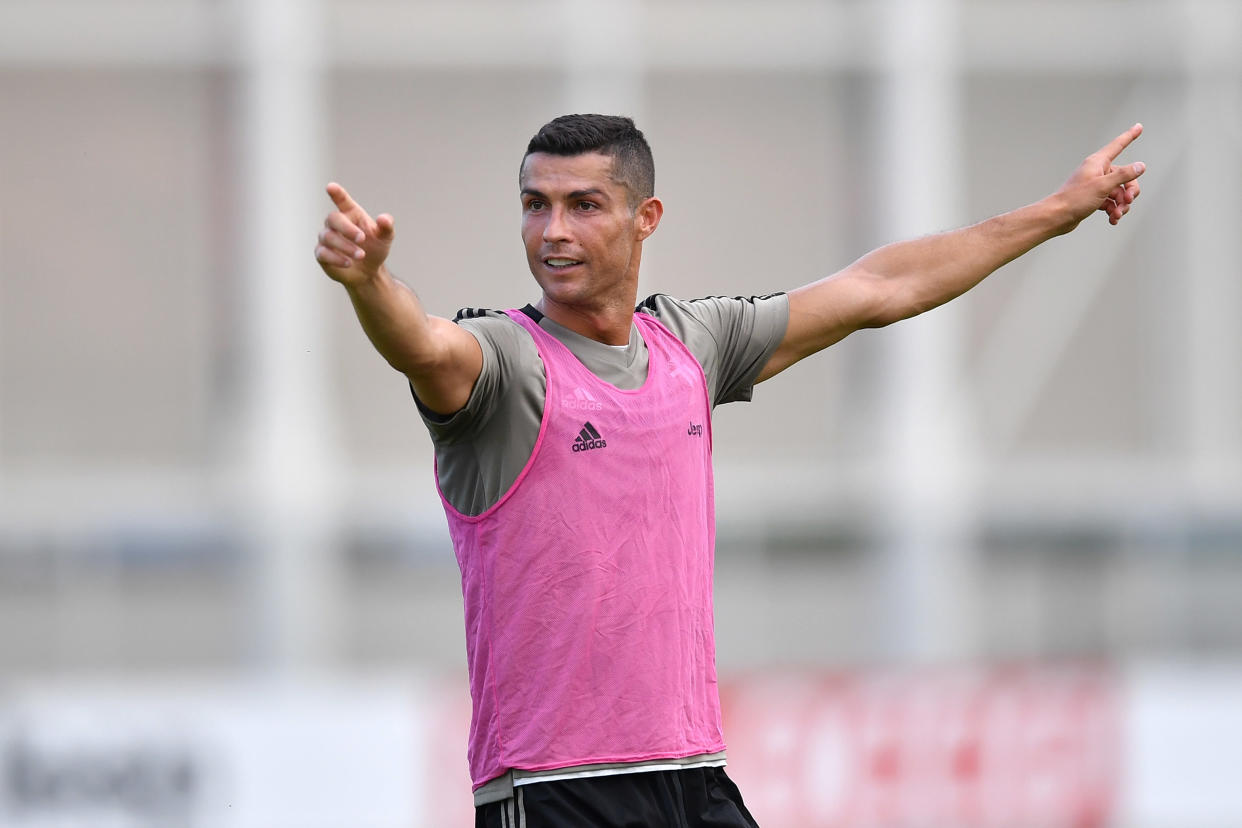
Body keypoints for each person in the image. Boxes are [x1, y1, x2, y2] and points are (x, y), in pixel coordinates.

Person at [314, 114, 1144, 826]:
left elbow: (878, 288)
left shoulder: (691, 343)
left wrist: (1058, 212)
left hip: (693, 778)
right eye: (535, 205)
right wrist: (368, 281)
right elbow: (420, 345)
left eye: (583, 205)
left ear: (646, 218)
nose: (552, 231)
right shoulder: (504, 363)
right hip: (555, 791)